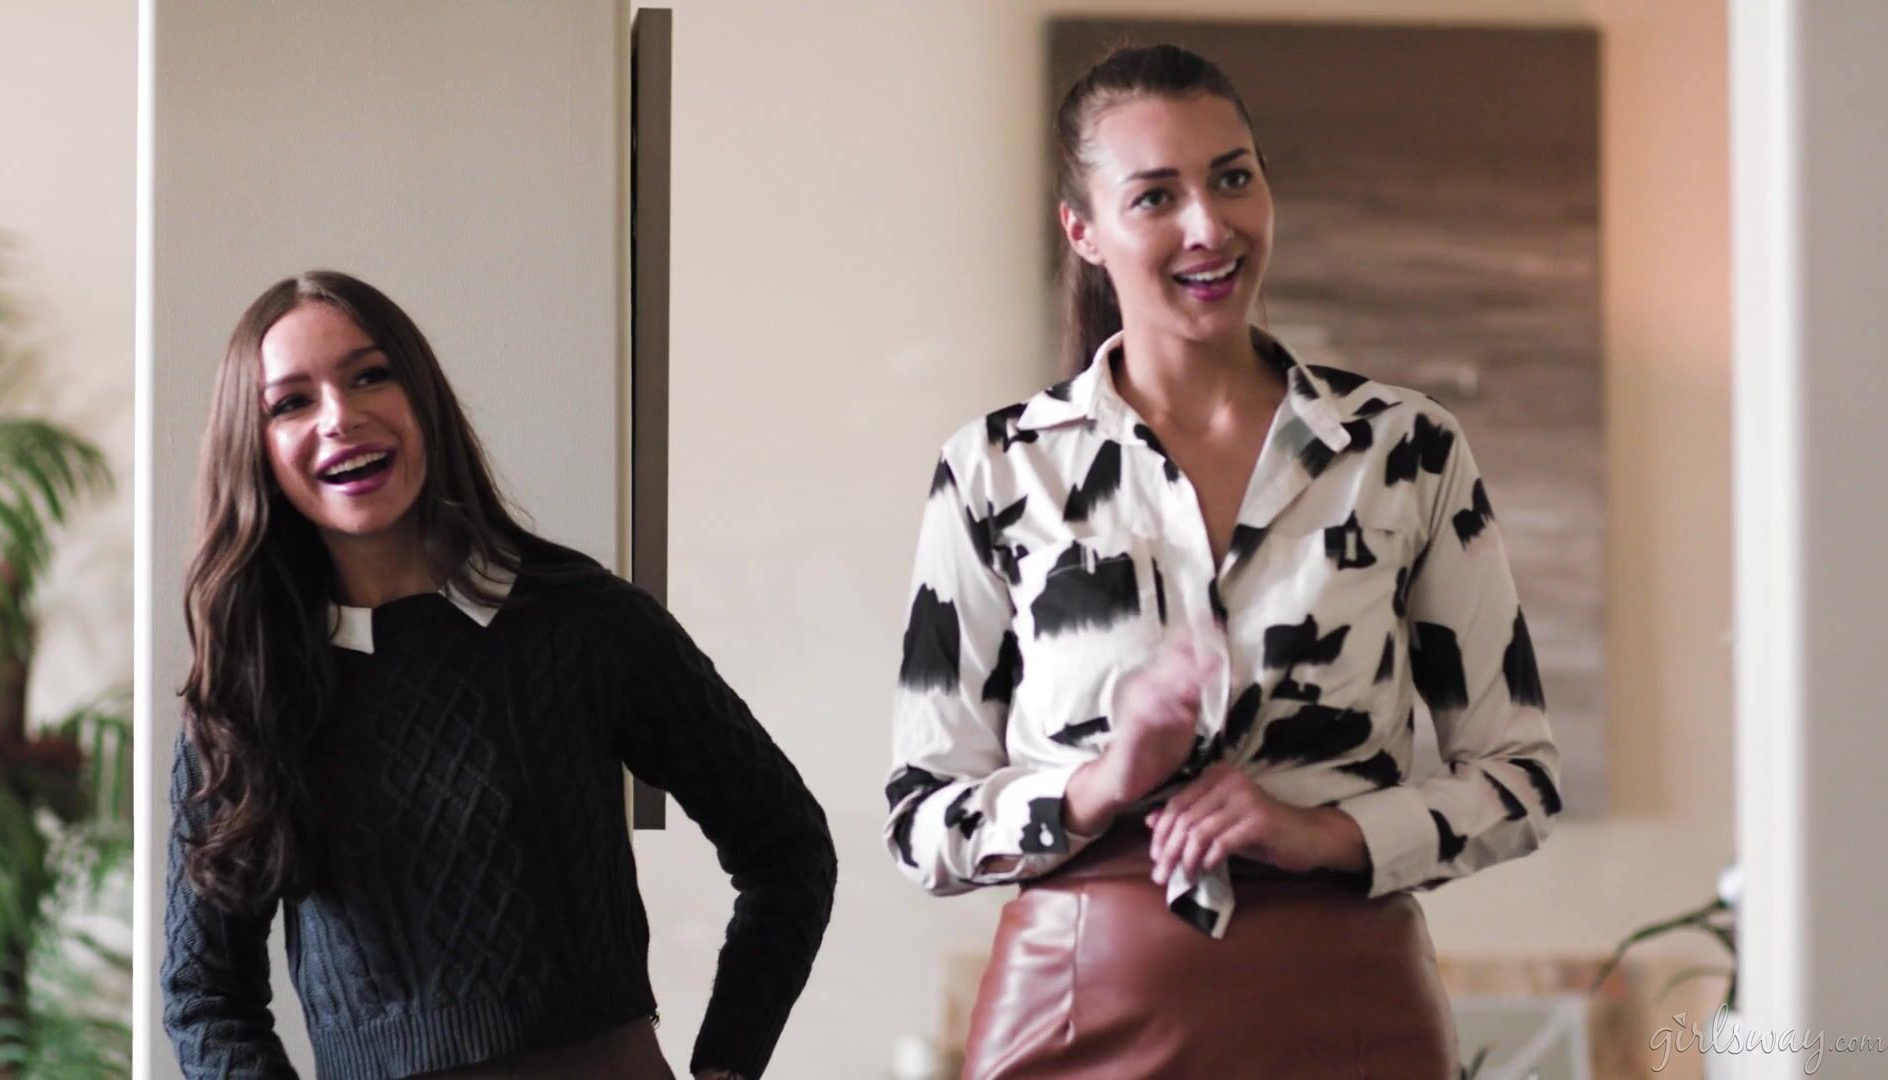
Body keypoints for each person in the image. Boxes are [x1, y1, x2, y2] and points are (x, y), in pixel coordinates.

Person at [884, 44, 1562, 1076]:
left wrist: (1324, 833)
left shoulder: (1402, 450)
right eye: (1155, 196)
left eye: (1232, 178)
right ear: (1083, 231)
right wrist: (1102, 782)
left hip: (1350, 1013)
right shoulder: (994, 468)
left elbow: (1519, 778)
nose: (1209, 225)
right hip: (1069, 1020)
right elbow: (921, 820)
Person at [163, 270, 836, 1080]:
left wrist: (728, 1060)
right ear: (257, 447)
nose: (340, 417)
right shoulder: (246, 695)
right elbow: (205, 995)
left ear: (423, 398)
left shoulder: (584, 621)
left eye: (370, 375)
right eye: (291, 402)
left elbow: (787, 848)